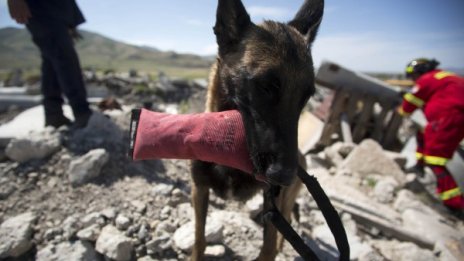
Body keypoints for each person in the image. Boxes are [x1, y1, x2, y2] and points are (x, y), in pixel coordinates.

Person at [7, 0, 92, 128]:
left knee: (51, 60)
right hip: (40, 7)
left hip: (58, 9)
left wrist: (71, 20)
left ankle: (54, 114)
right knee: (64, 56)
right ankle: (82, 112)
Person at [398, 58, 464, 211]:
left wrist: (402, 109)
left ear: (419, 72)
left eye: (413, 76)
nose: (414, 80)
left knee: (436, 159)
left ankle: (454, 204)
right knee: (423, 133)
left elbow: (409, 105)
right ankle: (419, 166)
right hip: (454, 118)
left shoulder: (428, 79)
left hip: (448, 118)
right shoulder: (445, 77)